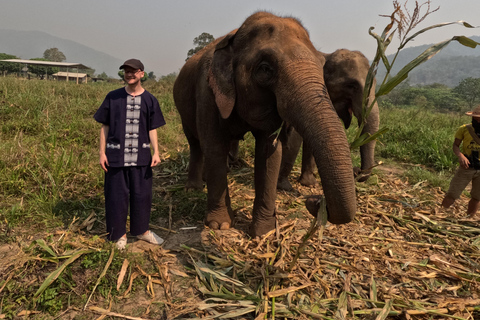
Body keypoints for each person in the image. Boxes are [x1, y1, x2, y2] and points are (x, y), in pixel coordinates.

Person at [94, 58, 166, 249]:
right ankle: (119, 235)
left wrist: (156, 151)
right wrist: (102, 152)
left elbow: (152, 128)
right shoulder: (113, 97)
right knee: (116, 196)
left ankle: (141, 231)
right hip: (115, 157)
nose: (129, 74)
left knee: (142, 195)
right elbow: (105, 126)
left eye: (134, 71)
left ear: (142, 74)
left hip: (141, 158)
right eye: (126, 71)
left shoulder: (150, 100)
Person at [442, 105, 480, 218]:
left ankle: (469, 219)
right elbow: (455, 145)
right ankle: (440, 214)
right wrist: (460, 156)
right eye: (476, 117)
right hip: (467, 167)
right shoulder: (464, 129)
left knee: (477, 197)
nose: (477, 120)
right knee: (452, 193)